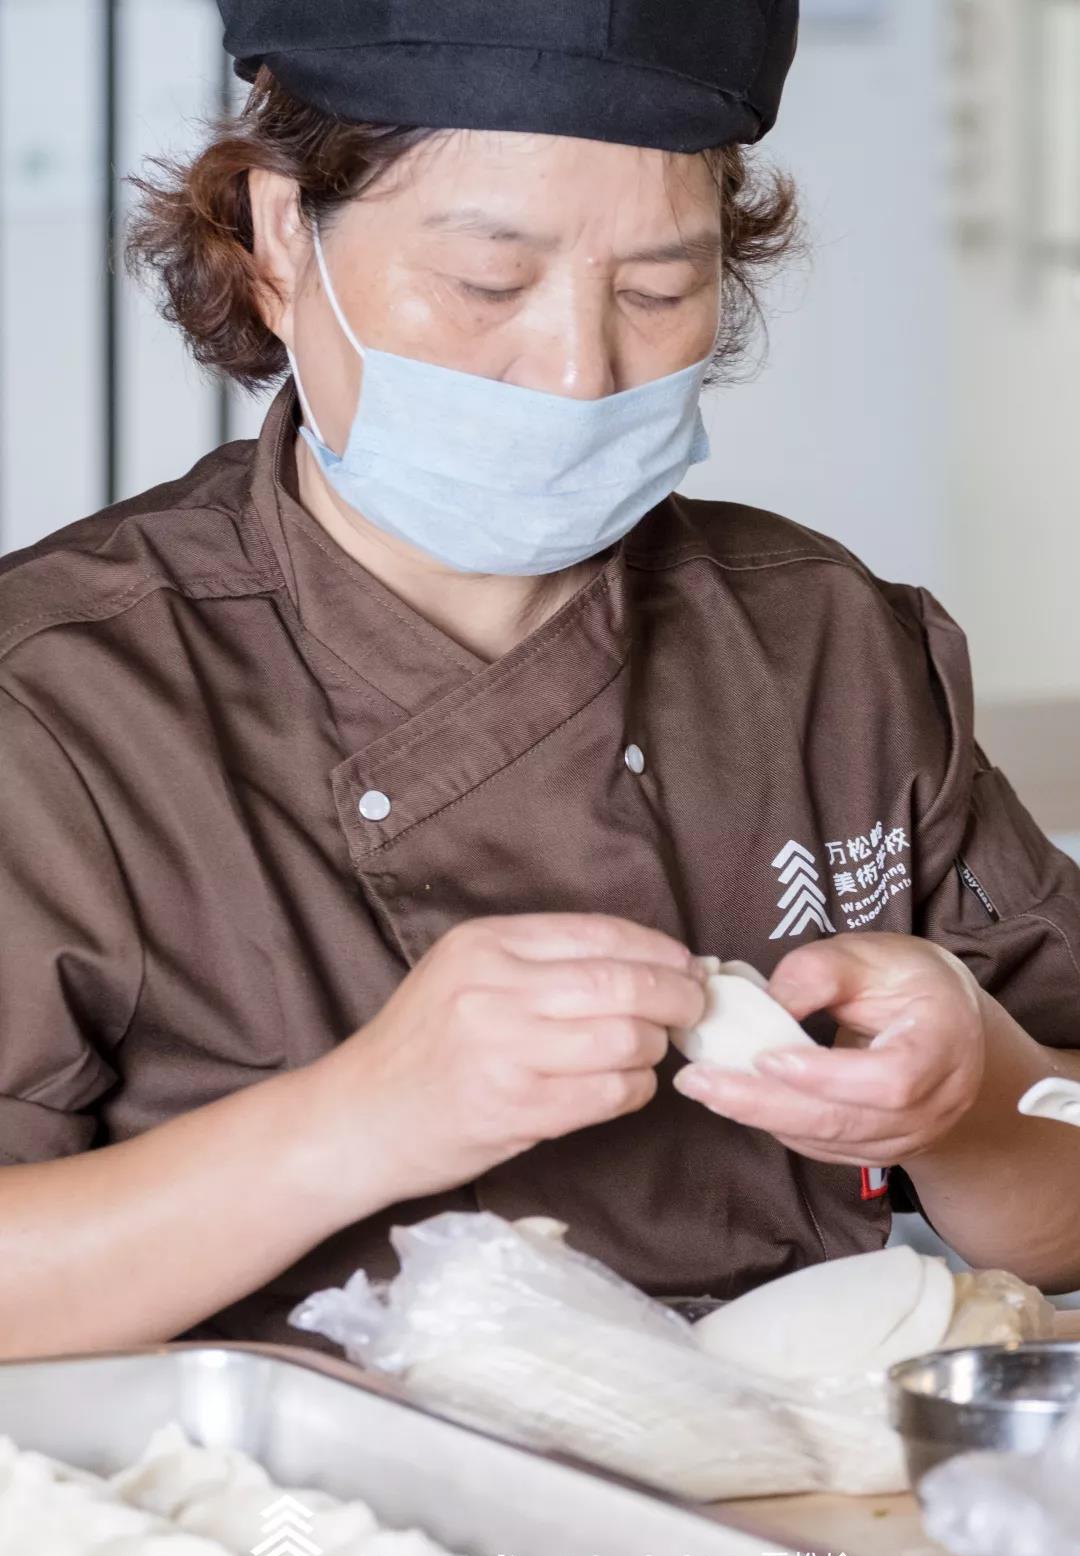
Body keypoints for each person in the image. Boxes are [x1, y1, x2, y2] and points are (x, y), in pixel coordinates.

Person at [1, 0, 1078, 1361]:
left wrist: (973, 1092)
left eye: (658, 293)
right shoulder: (57, 700)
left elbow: (1060, 1208)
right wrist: (358, 1120)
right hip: (277, 1488)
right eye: (488, 283)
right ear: (280, 239)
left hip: (792, 1476)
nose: (577, 371)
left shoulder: (824, 644)